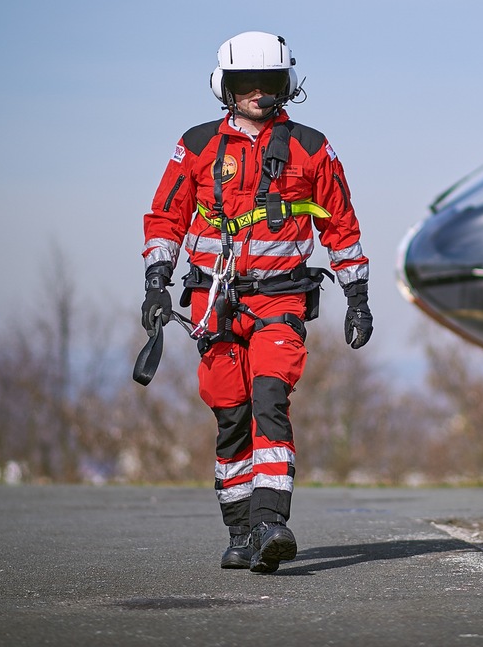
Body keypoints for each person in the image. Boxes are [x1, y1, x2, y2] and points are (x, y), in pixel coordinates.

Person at [140, 30, 373, 573]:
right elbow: (166, 217)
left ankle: (272, 522)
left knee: (270, 398)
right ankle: (241, 531)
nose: (258, 92)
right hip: (211, 300)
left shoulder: (311, 146)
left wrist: (357, 296)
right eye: (246, 82)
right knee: (231, 415)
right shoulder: (196, 145)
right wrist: (156, 281)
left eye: (268, 82)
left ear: (284, 84)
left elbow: (342, 224)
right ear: (227, 86)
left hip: (281, 299)